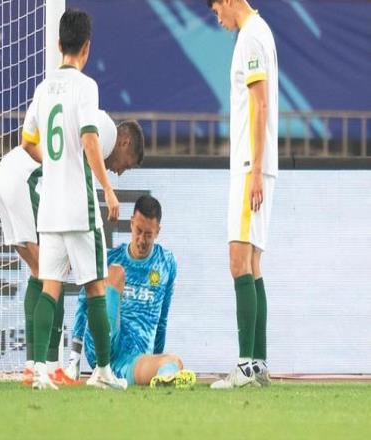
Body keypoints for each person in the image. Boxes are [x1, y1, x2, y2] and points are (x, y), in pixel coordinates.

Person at [0, 112, 144, 387]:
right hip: (27, 180)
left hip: (6, 174)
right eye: (127, 164)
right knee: (54, 273)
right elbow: (78, 169)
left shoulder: (72, 114)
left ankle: (33, 367)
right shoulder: (105, 130)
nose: (120, 171)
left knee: (40, 271)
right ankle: (51, 367)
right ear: (124, 143)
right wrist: (104, 193)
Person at [25, 8, 127, 391]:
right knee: (96, 287)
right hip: (79, 207)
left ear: (58, 45)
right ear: (86, 47)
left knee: (49, 286)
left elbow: (27, 141)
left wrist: (53, 165)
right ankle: (102, 372)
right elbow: (89, 139)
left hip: (50, 206)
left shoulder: (42, 89)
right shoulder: (86, 87)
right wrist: (107, 187)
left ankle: (38, 369)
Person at [206, 0, 278, 389]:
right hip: (256, 165)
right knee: (252, 263)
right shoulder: (259, 32)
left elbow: (260, 103)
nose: (217, 17)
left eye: (217, 7)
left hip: (251, 165)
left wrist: (254, 170)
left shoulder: (250, 36)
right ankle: (259, 364)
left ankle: (246, 365)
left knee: (238, 261)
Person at [65, 196, 196, 389]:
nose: (142, 240)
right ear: (131, 223)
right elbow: (84, 303)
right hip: (102, 348)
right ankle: (102, 369)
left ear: (158, 231)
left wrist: (156, 359)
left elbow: (162, 319)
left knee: (174, 361)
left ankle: (164, 378)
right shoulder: (111, 258)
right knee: (116, 272)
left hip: (132, 361)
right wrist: (74, 358)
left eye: (148, 234)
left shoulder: (166, 263)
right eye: (138, 231)